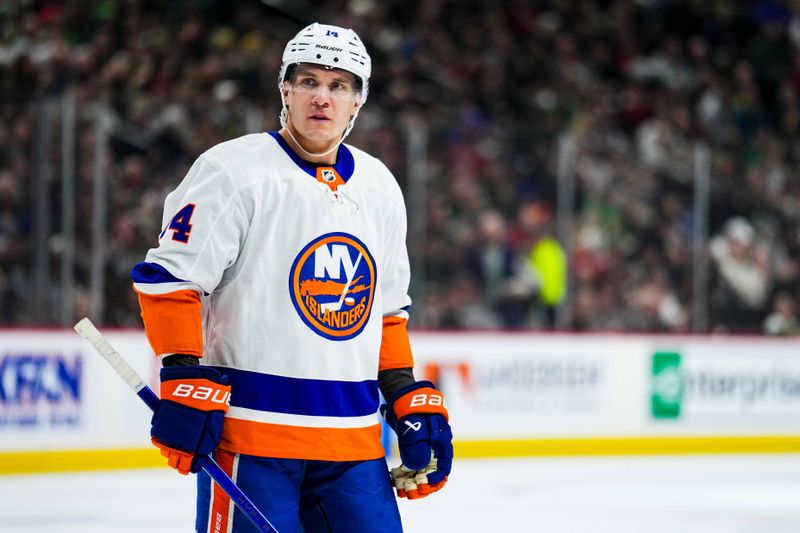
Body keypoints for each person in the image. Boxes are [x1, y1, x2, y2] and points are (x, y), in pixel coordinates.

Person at [130, 23, 453, 532]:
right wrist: (182, 372)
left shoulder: (380, 186)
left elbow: (385, 313)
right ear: (285, 89)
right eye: (308, 81)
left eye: (338, 85)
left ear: (357, 102)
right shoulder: (234, 169)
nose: (321, 98)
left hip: (354, 443)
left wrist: (403, 394)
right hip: (252, 441)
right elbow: (171, 279)